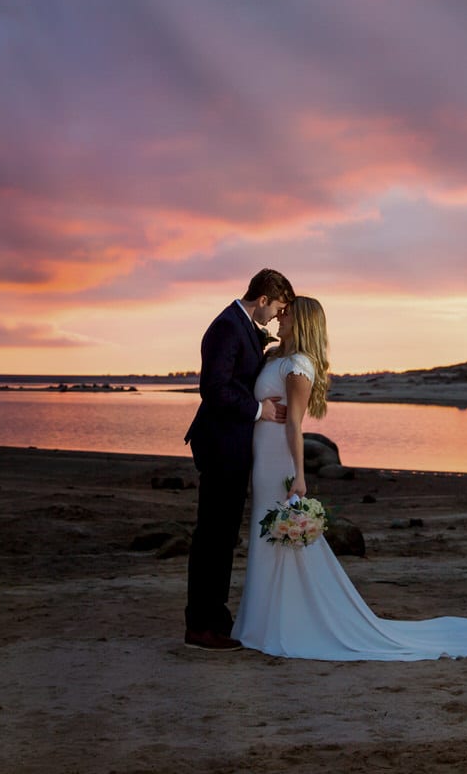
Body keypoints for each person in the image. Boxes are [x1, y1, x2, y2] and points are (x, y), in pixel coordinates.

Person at [232, 295, 467, 660]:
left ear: (303, 321)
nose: (280, 317)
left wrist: (300, 477)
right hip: (264, 458)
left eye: (287, 313)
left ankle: (282, 623)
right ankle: (265, 620)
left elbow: (295, 424)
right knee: (269, 534)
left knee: (279, 535)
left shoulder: (299, 365)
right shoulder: (277, 357)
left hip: (279, 460)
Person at [183, 269, 295, 651]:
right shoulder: (227, 326)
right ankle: (201, 626)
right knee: (213, 536)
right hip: (220, 445)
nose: (277, 318)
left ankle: (215, 619)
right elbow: (213, 389)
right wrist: (258, 410)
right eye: (277, 309)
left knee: (222, 535)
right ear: (262, 299)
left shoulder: (243, 326)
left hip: (232, 447)